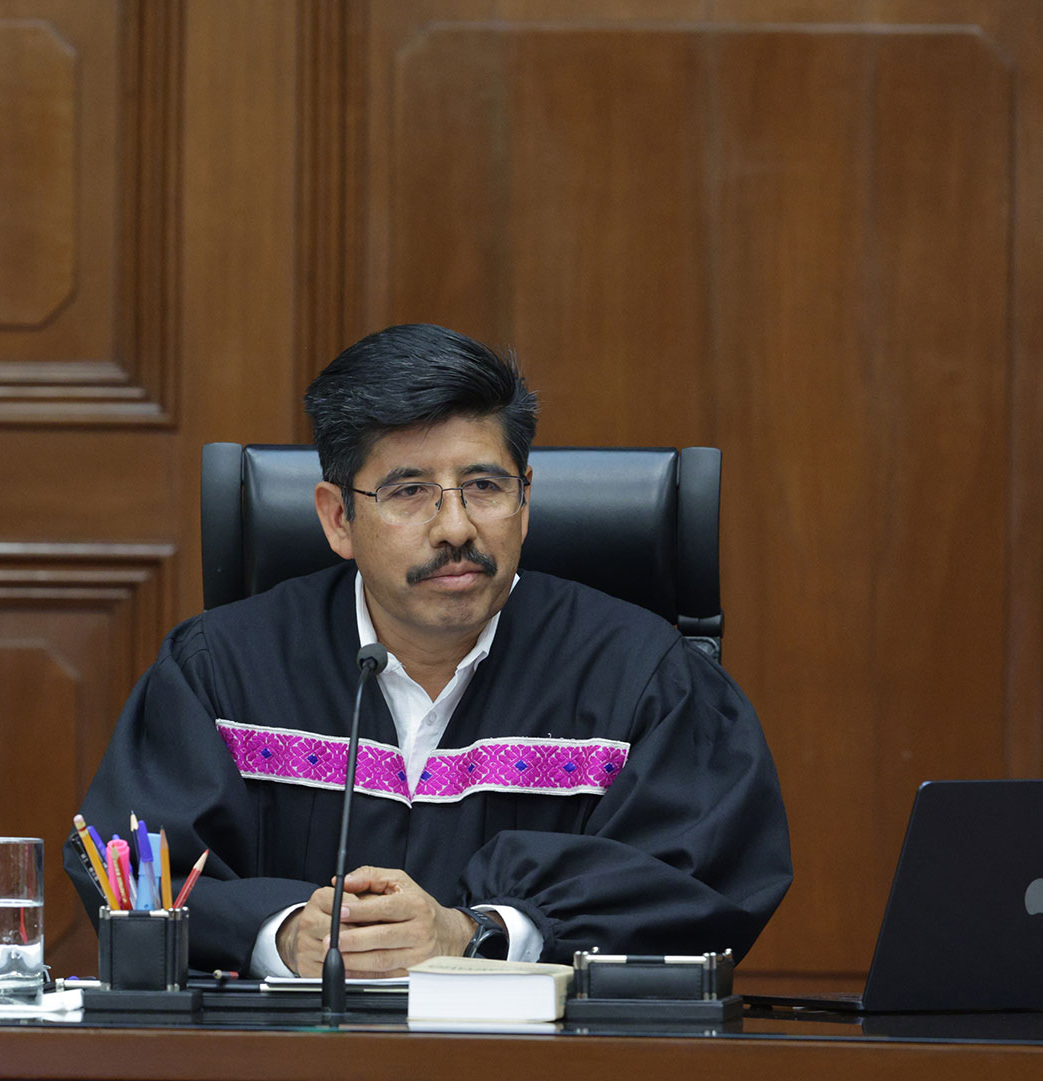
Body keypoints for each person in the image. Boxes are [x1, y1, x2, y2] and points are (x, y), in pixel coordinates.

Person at [65, 324, 791, 975]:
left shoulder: (643, 678)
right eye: (409, 490)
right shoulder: (221, 672)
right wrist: (281, 936)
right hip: (284, 1073)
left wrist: (480, 933)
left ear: (526, 502)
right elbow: (131, 872)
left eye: (485, 486)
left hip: (543, 1072)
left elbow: (706, 883)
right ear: (338, 518)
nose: (455, 527)